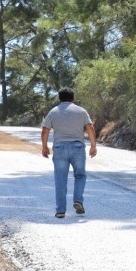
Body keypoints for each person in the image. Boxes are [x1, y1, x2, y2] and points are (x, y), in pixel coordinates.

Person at [41, 87, 97, 219]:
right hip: (77, 147)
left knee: (60, 180)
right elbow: (90, 127)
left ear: (59, 98)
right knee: (80, 175)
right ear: (73, 98)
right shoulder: (81, 111)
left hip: (60, 148)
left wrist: (44, 147)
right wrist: (93, 146)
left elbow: (45, 130)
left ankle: (60, 210)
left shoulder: (53, 112)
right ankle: (78, 200)